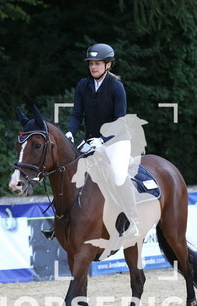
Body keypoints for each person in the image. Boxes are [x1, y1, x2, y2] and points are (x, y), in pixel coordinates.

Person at [66, 43, 139, 238]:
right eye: (91, 63)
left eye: (97, 63)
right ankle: (64, 221)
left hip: (117, 141)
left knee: (118, 176)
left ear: (108, 65)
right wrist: (70, 132)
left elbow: (119, 120)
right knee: (70, 170)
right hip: (92, 140)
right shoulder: (83, 85)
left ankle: (133, 221)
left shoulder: (116, 87)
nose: (93, 67)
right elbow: (77, 114)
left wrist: (103, 139)